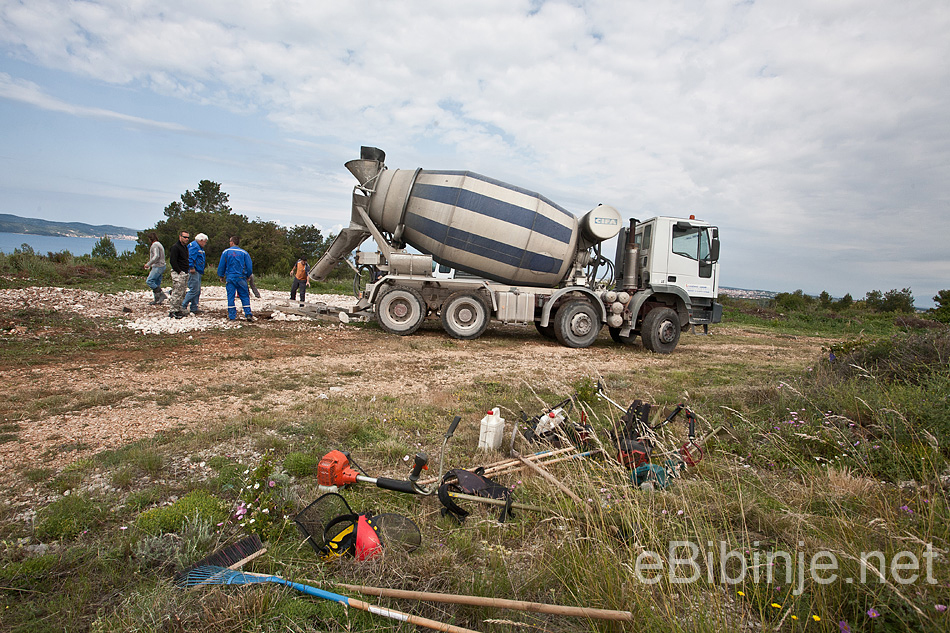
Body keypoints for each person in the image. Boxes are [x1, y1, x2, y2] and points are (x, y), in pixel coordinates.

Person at [217, 236, 255, 321]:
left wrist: (221, 275)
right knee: (244, 296)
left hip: (230, 277)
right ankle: (248, 314)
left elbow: (222, 265)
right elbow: (249, 266)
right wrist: (248, 275)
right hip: (241, 277)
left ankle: (232, 316)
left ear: (232, 242)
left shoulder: (226, 252)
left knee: (231, 296)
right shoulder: (244, 253)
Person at [180, 233, 208, 316]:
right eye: (205, 242)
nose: (205, 244)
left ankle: (194, 307)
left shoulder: (199, 247)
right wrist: (191, 267)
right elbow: (190, 258)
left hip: (198, 270)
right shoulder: (194, 246)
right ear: (201, 240)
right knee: (194, 289)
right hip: (194, 271)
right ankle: (183, 305)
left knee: (197, 290)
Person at [168, 230, 190, 318]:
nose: (186, 239)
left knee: (182, 292)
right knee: (177, 291)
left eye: (188, 237)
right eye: (185, 237)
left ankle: (179, 308)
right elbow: (172, 261)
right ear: (180, 237)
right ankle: (173, 311)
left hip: (185, 272)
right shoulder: (175, 247)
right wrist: (179, 271)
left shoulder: (185, 247)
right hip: (178, 273)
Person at [144, 232, 167, 305]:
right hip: (162, 265)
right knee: (157, 283)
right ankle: (157, 300)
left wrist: (148, 264)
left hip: (157, 266)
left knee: (149, 281)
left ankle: (161, 294)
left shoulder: (154, 245)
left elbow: (156, 256)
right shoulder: (159, 244)